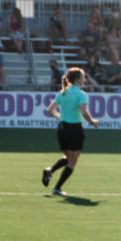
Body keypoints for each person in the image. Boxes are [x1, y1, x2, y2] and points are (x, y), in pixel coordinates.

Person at [42, 67, 100, 196]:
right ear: (77, 79)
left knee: (68, 157)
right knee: (72, 162)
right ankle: (57, 187)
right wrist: (92, 122)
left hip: (62, 128)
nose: (84, 79)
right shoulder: (80, 94)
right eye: (82, 77)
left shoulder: (63, 93)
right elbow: (84, 112)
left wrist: (60, 118)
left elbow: (50, 110)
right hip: (74, 129)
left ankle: (50, 171)